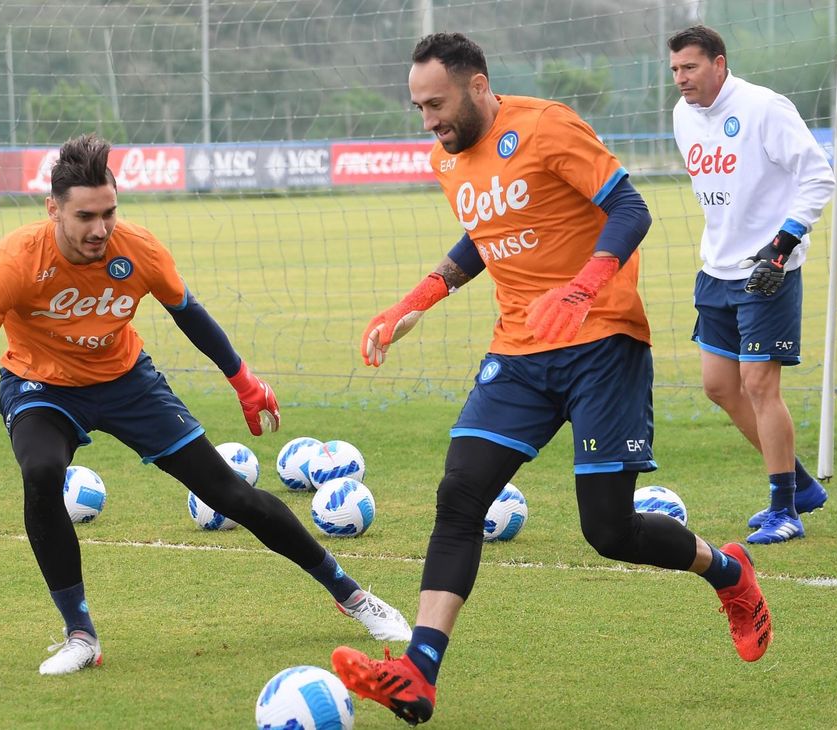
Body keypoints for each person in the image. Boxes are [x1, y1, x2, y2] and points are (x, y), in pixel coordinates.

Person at [330, 32, 773, 726]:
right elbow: (485, 235)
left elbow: (632, 208)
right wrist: (413, 301)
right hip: (520, 352)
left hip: (603, 345)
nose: (429, 122)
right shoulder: (447, 161)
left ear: (477, 86)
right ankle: (418, 672)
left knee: (609, 531)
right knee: (460, 493)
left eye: (437, 104)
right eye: (418, 108)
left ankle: (728, 572)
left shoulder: (545, 125)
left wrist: (584, 287)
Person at [0, 134, 411, 676]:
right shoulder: (14, 262)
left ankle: (351, 594)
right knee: (43, 470)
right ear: (53, 210)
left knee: (230, 492)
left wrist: (243, 380)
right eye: (85, 217)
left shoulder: (137, 249)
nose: (100, 229)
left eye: (109, 213)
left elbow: (189, 313)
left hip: (128, 383)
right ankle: (79, 634)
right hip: (40, 388)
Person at [667, 25, 835, 544]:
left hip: (769, 270)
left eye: (690, 67)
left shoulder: (765, 107)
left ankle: (784, 508)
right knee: (720, 386)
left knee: (761, 385)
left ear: (719, 63)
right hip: (716, 268)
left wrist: (782, 244)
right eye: (674, 70)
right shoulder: (681, 116)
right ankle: (801, 482)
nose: (681, 79)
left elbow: (817, 176)